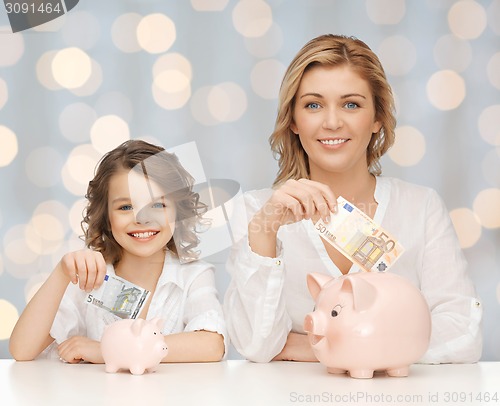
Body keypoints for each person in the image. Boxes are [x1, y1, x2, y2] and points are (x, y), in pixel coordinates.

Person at [223, 34, 482, 364]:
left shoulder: (421, 207)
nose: (332, 122)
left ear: (376, 119)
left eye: (351, 104)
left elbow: (462, 333)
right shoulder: (257, 213)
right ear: (293, 121)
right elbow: (256, 346)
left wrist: (318, 345)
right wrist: (264, 231)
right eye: (313, 105)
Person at [10, 140, 226, 363]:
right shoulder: (88, 277)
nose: (142, 219)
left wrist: (107, 351)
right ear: (106, 216)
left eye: (158, 205)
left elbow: (212, 345)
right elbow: (22, 350)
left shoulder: (193, 276)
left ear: (177, 212)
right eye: (126, 207)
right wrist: (62, 273)